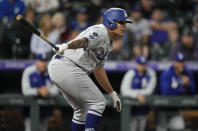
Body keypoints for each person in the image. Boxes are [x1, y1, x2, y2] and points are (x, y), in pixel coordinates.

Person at [48, 8, 133, 131]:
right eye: (121, 22)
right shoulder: (101, 31)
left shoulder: (108, 41)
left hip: (63, 67)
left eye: (125, 23)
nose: (124, 26)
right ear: (111, 22)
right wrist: (66, 45)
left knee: (81, 110)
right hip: (68, 66)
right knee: (98, 103)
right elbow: (84, 41)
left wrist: (112, 93)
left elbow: (98, 70)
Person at [156, 52, 196, 131]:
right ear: (174, 62)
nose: (181, 64)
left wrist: (188, 85)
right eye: (179, 62)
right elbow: (166, 93)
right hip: (162, 108)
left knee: (179, 127)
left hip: (175, 109)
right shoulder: (167, 74)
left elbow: (193, 92)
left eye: (182, 62)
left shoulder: (187, 74)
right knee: (162, 129)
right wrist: (182, 91)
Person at [21, 54, 59, 131]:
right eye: (41, 61)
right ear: (36, 62)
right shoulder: (28, 71)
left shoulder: (50, 72)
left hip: (45, 109)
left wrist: (48, 92)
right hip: (30, 110)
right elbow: (25, 91)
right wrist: (38, 91)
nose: (44, 64)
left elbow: (56, 90)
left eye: (45, 61)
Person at [121, 56, 157, 131]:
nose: (142, 66)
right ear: (136, 64)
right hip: (131, 110)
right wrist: (136, 95)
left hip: (145, 109)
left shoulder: (150, 73)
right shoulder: (131, 73)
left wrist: (136, 93)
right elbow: (124, 90)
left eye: (144, 64)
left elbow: (150, 90)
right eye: (140, 64)